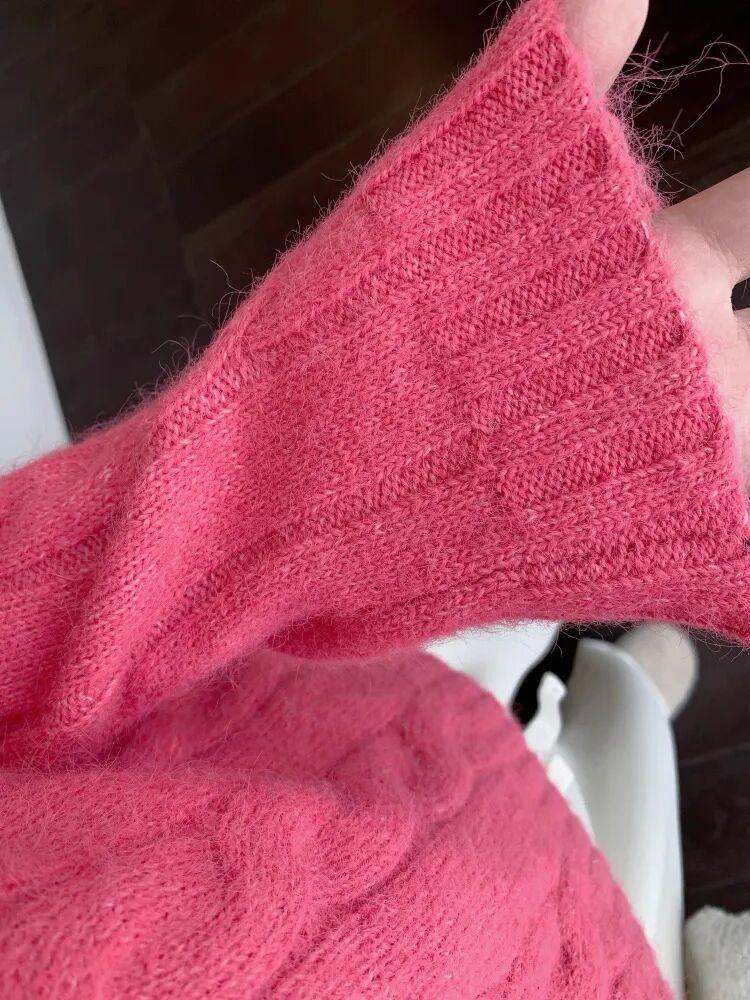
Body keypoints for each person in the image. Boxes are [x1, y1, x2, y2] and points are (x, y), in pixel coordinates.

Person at [0, 0, 748, 995]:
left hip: (342, 725)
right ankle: (591, 720)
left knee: (511, 661)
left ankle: (572, 711)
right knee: (608, 748)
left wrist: (291, 467)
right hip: (577, 926)